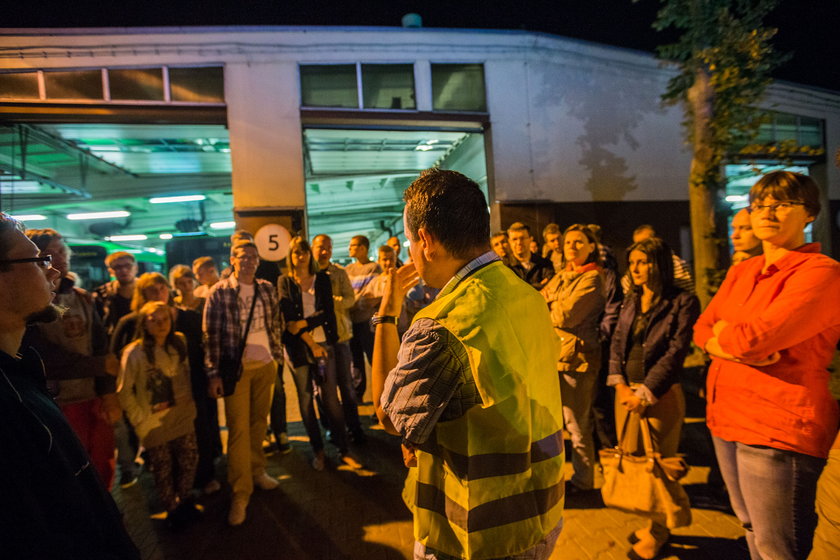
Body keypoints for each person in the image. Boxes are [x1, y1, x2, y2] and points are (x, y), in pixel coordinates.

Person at [372, 168, 565, 559]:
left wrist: (386, 316)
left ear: (425, 240)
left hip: (475, 533)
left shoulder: (442, 324)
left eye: (409, 240)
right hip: (541, 510)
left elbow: (388, 415)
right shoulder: (524, 294)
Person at [694, 171, 840, 560]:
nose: (767, 212)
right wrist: (725, 343)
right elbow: (702, 328)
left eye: (781, 204)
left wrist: (727, 338)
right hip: (725, 418)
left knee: (778, 547)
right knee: (751, 531)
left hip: (776, 426)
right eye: (759, 204)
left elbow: (754, 339)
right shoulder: (743, 270)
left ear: (809, 213)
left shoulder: (821, 273)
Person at [0, 213, 140, 559]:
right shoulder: (10, 405)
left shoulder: (24, 377)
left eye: (57, 256)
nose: (54, 269)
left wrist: (106, 389)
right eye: (41, 259)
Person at [608, 237, 699, 559]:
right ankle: (652, 524)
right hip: (627, 391)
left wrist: (645, 393)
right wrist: (619, 385)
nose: (636, 268)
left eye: (643, 262)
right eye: (632, 263)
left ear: (659, 263)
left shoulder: (682, 301)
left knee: (658, 464)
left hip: (660, 393)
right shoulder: (630, 299)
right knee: (636, 459)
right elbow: (618, 343)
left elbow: (676, 351)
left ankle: (660, 533)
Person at [24, 228, 119, 489]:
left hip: (92, 398)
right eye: (50, 253)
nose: (60, 258)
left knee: (103, 464)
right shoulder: (31, 306)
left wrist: (108, 394)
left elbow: (101, 346)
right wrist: (98, 365)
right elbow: (43, 355)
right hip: (57, 404)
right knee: (70, 474)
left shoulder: (82, 298)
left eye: (62, 251)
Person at [204, 240, 284, 526]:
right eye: (243, 256)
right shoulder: (219, 292)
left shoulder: (267, 288)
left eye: (253, 256)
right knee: (238, 430)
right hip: (236, 370)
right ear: (232, 260)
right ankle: (241, 492)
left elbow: (275, 323)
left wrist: (277, 356)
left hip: (265, 366)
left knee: (258, 424)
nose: (249, 260)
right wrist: (212, 373)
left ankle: (257, 470)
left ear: (258, 261)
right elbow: (211, 335)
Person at [277, 237, 362, 471]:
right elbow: (287, 318)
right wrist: (308, 338)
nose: (300, 256)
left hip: (325, 344)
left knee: (330, 398)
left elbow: (326, 314)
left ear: (309, 255)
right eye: (296, 252)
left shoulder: (322, 279)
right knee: (305, 400)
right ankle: (319, 451)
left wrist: (304, 322)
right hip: (297, 349)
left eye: (304, 252)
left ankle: (343, 448)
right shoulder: (284, 281)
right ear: (290, 256)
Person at [118, 301, 200, 528]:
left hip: (182, 416)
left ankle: (184, 501)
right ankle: (171, 509)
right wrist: (139, 419)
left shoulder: (179, 342)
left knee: (189, 460)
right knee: (162, 469)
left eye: (165, 319)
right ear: (145, 322)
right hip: (153, 422)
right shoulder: (134, 352)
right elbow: (124, 390)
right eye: (154, 319)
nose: (161, 324)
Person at [541, 224, 605, 493]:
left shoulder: (593, 278)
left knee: (577, 423)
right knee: (555, 422)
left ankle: (584, 480)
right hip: (555, 355)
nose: (572, 246)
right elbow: (539, 299)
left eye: (579, 242)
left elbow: (566, 315)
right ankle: (559, 476)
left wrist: (550, 303)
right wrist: (552, 302)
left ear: (592, 247)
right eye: (569, 242)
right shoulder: (564, 274)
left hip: (578, 359)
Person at [170, 264, 222, 495]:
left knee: (209, 414)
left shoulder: (204, 304)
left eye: (187, 281)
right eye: (179, 282)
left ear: (193, 282)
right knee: (197, 417)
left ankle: (213, 454)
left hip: (204, 365)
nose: (184, 285)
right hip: (184, 369)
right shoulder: (171, 309)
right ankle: (202, 461)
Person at [311, 233, 365, 443]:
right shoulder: (308, 274)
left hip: (341, 337)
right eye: (321, 247)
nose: (325, 251)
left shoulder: (339, 273)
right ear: (313, 248)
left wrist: (329, 301)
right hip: (318, 341)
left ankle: (355, 428)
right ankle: (333, 428)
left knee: (348, 387)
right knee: (324, 390)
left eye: (329, 248)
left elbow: (350, 300)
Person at [345, 235, 382, 401]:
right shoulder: (348, 269)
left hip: (366, 321)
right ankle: (358, 395)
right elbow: (345, 291)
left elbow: (370, 292)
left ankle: (381, 394)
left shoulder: (374, 268)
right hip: (351, 322)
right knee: (355, 361)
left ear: (362, 248)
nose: (349, 248)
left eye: (353, 245)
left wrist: (350, 301)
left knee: (374, 359)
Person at [623, 225, 694, 294]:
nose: (641, 247)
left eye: (646, 242)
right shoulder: (633, 269)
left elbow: (687, 293)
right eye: (637, 244)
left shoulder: (676, 264)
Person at [92, 251, 137, 337]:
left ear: (136, 268)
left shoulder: (147, 290)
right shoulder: (101, 295)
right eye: (117, 267)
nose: (124, 270)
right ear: (111, 271)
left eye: (128, 265)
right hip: (113, 344)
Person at [506, 222, 554, 290]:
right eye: (514, 239)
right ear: (509, 242)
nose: (519, 242)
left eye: (522, 238)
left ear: (530, 239)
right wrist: (538, 286)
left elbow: (550, 287)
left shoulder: (545, 264)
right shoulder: (504, 267)